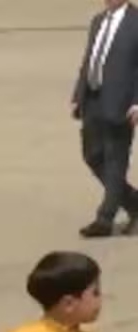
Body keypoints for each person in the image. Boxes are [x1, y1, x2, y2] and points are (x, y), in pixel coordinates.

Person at [71, 0, 138, 238]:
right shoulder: (98, 21)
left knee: (115, 161)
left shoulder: (135, 23)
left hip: (121, 103)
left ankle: (104, 219)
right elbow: (89, 60)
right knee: (92, 156)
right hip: (93, 99)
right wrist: (79, 94)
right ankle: (133, 201)